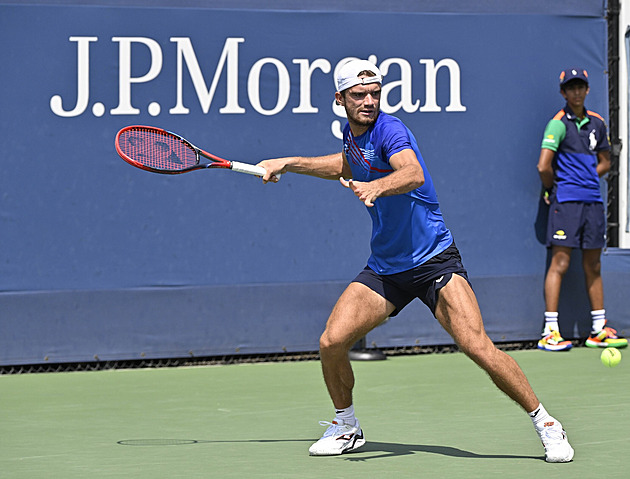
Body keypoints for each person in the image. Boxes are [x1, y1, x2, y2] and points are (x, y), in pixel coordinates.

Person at [258, 59, 574, 462]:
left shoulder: (391, 128)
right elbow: (345, 164)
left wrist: (378, 186)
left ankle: (546, 423)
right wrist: (287, 162)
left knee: (477, 346)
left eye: (375, 93)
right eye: (359, 95)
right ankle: (346, 426)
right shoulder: (351, 134)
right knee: (332, 341)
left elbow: (412, 173)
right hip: (387, 266)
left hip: (434, 261)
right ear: (340, 100)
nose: (369, 101)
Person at [536, 68, 628, 352]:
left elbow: (605, 162)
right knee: (560, 264)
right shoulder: (558, 124)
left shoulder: (598, 123)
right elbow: (543, 166)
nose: (576, 92)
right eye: (570, 88)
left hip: (593, 203)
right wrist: (556, 188)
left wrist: (588, 176)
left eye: (581, 87)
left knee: (594, 265)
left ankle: (598, 329)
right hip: (566, 202)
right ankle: (550, 330)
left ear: (587, 90)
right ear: (563, 93)